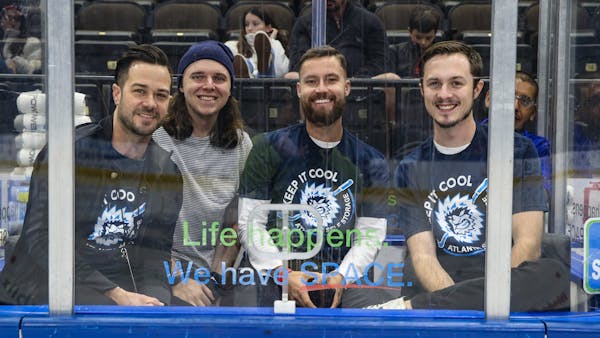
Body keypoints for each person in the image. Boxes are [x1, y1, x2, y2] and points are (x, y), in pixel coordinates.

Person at [370, 41, 569, 311]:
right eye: (434, 84)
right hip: (439, 295)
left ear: (477, 89)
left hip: (505, 293)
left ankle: (414, 305)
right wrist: (465, 310)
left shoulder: (517, 151)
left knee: (552, 273)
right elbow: (423, 256)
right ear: (421, 90)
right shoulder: (410, 166)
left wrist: (491, 301)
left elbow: (528, 245)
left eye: (456, 83)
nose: (444, 94)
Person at [0, 44, 183, 305]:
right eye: (140, 91)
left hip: (122, 292)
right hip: (47, 290)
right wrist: (115, 294)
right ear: (117, 94)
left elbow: (156, 254)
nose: (150, 103)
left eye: (161, 95)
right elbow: (41, 240)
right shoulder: (70, 152)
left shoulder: (167, 170)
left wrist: (155, 307)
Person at [236, 45, 393, 308]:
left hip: (343, 280)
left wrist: (342, 277)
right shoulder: (267, 147)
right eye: (311, 81)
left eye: (331, 79)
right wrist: (281, 274)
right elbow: (250, 225)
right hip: (277, 278)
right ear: (299, 90)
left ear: (347, 87)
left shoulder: (371, 160)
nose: (321, 88)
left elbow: (371, 235)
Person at [153, 40, 252, 306]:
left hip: (217, 274)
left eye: (219, 78)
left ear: (230, 88)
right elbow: (141, 229)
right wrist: (177, 279)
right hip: (160, 270)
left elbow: (235, 222)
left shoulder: (242, 144)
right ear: (181, 85)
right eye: (198, 76)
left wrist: (216, 281)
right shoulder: (156, 139)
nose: (209, 85)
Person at [483, 72, 552, 199]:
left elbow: (543, 195)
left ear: (533, 113)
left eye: (524, 101)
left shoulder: (538, 146)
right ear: (488, 99)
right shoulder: (470, 136)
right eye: (509, 96)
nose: (515, 106)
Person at [284, 0, 389, 79]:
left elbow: (379, 63)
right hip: (316, 86)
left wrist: (349, 81)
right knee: (292, 76)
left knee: (390, 78)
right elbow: (297, 64)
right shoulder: (304, 24)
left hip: (359, 88)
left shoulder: (370, 22)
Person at [225, 7, 289, 78]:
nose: (249, 28)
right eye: (246, 24)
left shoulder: (275, 44)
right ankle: (249, 73)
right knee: (244, 63)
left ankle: (262, 72)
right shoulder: (231, 45)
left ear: (268, 28)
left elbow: (281, 72)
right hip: (242, 87)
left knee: (265, 73)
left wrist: (271, 42)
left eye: (255, 24)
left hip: (269, 85)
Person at [389, 5, 441, 78]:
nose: (423, 42)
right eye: (418, 37)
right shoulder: (395, 53)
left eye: (428, 38)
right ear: (410, 32)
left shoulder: (444, 54)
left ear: (435, 34)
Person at [0, 4, 41, 74]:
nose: (13, 22)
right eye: (8, 18)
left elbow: (33, 70)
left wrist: (15, 61)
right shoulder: (3, 41)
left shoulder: (32, 43)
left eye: (17, 19)